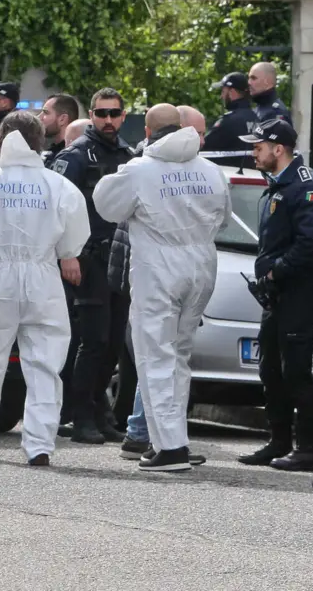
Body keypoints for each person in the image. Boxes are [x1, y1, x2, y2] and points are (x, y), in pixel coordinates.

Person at [95, 104, 230, 472]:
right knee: (179, 357)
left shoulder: (140, 170)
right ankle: (173, 439)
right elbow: (225, 216)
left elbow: (106, 206)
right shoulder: (210, 170)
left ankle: (169, 447)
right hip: (201, 265)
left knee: (155, 356)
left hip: (159, 266)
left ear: (148, 132)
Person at [0, 111, 90, 466]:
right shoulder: (58, 185)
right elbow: (75, 239)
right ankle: (39, 445)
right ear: (39, 141)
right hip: (43, 278)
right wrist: (61, 253)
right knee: (45, 366)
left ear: (0, 138)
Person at [236, 118, 313, 472]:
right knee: (270, 368)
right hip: (276, 293)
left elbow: (310, 243)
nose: (253, 153)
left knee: (296, 370)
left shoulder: (308, 188)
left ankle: (308, 449)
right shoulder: (278, 184)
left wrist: (277, 269)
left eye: (258, 147)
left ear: (279, 149)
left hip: (299, 290)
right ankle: (278, 441)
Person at [51, 88, 135, 444]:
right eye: (101, 113)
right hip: (87, 260)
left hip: (121, 262)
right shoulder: (75, 156)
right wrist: (67, 255)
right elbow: (56, 209)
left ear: (123, 115)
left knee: (114, 342)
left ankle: (100, 412)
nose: (108, 120)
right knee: (93, 340)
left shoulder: (129, 156)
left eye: (114, 113)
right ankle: (80, 414)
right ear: (91, 114)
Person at [205, 72, 259, 164]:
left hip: (230, 175)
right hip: (253, 175)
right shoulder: (256, 118)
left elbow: (204, 147)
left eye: (223, 91)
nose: (221, 96)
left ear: (231, 92)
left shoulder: (228, 121)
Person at [39, 94, 81, 167]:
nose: (39, 117)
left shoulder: (71, 157)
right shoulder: (54, 153)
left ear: (62, 119)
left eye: (46, 112)